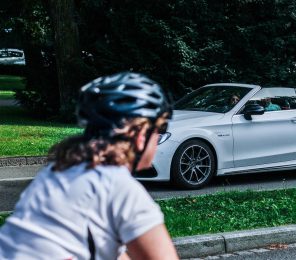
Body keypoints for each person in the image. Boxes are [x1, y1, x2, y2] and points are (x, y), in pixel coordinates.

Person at [0, 72, 179, 260]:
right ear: (140, 133)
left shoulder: (58, 172)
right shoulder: (119, 188)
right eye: (160, 129)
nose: (159, 138)